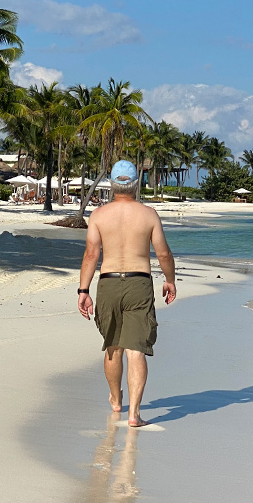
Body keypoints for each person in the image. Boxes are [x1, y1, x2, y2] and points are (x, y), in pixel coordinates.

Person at [77, 159, 177, 427]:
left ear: (112, 184)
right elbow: (164, 253)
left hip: (108, 282)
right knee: (137, 350)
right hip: (139, 283)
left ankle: (115, 399)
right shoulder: (149, 215)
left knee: (113, 346)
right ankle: (134, 414)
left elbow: (91, 255)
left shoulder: (98, 216)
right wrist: (170, 281)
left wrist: (83, 290)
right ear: (136, 184)